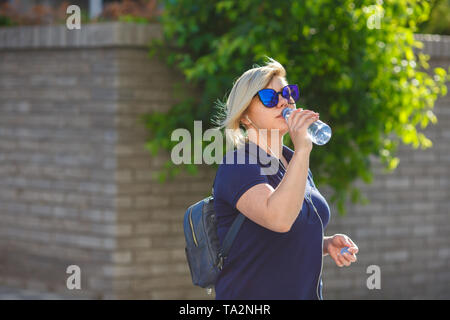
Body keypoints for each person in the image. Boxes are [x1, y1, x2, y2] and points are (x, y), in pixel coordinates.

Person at [212, 57, 359, 300]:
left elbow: (284, 234)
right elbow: (279, 219)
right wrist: (303, 150)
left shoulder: (293, 162)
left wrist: (324, 243)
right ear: (245, 116)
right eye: (270, 98)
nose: (283, 102)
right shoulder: (238, 164)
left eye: (288, 93)